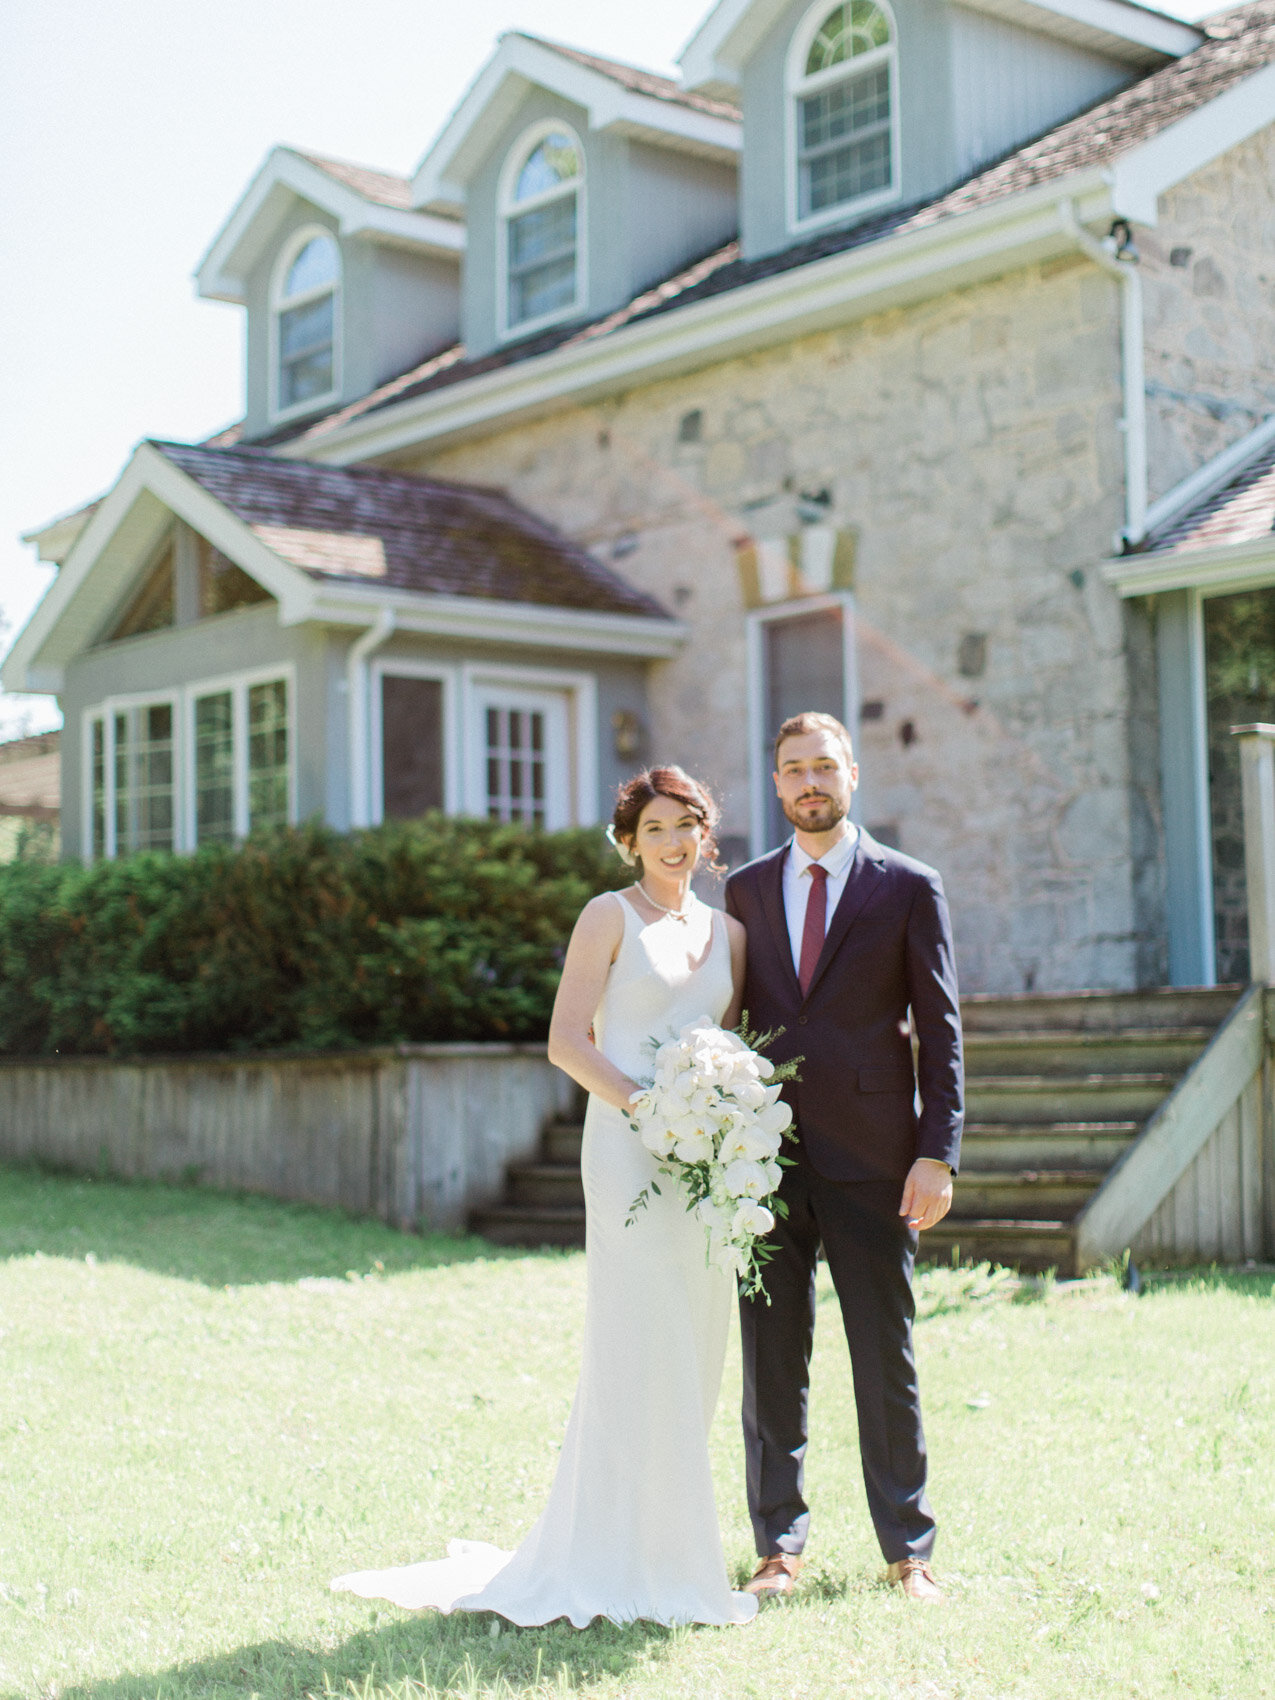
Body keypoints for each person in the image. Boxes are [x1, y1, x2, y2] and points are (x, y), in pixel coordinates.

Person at [332, 766, 757, 1627]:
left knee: (696, 1345)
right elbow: (566, 1042)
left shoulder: (732, 935)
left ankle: (676, 1555)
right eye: (657, 829)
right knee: (636, 1338)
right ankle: (603, 1556)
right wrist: (649, 1105)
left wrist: (720, 1112)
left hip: (706, 1167)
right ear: (629, 841)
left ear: (706, 837)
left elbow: (728, 1043)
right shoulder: (607, 916)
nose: (674, 843)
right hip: (628, 1150)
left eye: (688, 827)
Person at [724, 712, 963, 1605]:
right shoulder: (743, 891)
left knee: (883, 1355)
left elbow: (938, 1030)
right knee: (770, 1358)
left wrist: (936, 1152)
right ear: (776, 783)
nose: (808, 782)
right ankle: (776, 1547)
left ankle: (908, 1551)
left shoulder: (907, 885)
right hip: (764, 1163)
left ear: (851, 774)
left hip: (875, 1158)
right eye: (793, 770)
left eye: (823, 765)